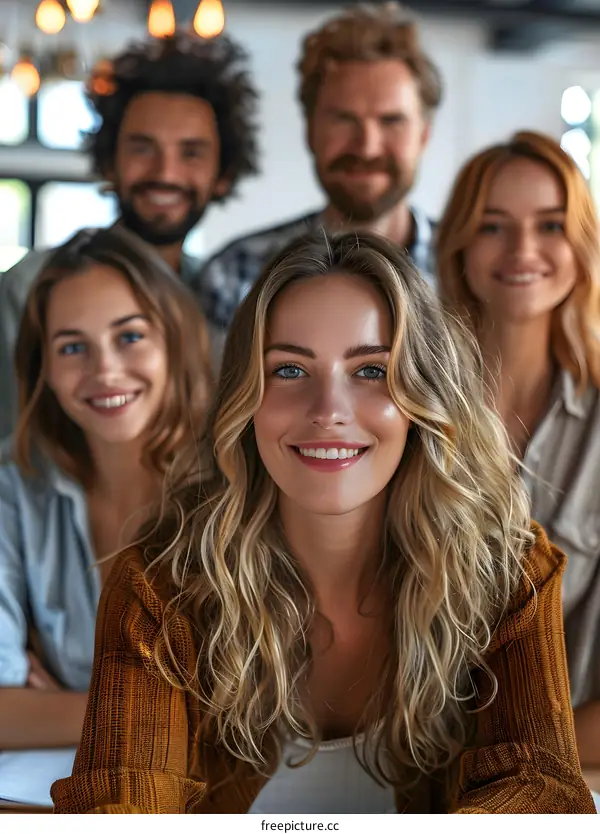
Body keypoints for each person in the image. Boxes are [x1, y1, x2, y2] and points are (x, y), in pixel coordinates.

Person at [52, 231, 594, 813]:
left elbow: (543, 789)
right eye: (289, 370)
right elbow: (120, 804)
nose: (329, 410)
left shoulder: (511, 572)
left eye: (370, 371)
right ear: (245, 399)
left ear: (423, 397)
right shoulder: (158, 585)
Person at [0, 226, 213, 806]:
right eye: (72, 347)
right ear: (42, 368)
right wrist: (167, 706)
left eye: (130, 336)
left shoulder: (239, 483)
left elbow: (259, 711)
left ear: (174, 339)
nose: (106, 370)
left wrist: (65, 706)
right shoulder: (14, 488)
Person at [0, 30, 259, 438]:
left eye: (191, 152)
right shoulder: (28, 286)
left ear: (222, 175)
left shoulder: (220, 295)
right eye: (142, 147)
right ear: (109, 162)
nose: (165, 172)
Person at [436, 130, 600, 773]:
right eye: (493, 226)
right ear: (459, 245)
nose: (522, 250)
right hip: (395, 777)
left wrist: (501, 766)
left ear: (581, 243)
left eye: (550, 225)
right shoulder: (404, 409)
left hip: (561, 777)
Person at [196, 1, 441, 333]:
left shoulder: (476, 270)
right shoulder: (236, 276)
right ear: (310, 130)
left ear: (424, 134)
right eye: (343, 119)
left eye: (391, 121)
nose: (367, 146)